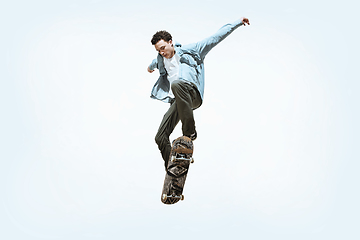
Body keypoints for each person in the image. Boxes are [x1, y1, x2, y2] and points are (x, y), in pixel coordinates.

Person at [147, 17, 250, 170]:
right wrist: (151, 66)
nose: (162, 52)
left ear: (170, 42)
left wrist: (237, 23)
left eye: (163, 48)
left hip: (192, 95)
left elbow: (215, 38)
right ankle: (173, 168)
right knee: (160, 137)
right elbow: (156, 62)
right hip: (179, 100)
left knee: (177, 84)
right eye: (158, 51)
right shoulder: (160, 59)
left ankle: (189, 135)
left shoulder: (192, 49)